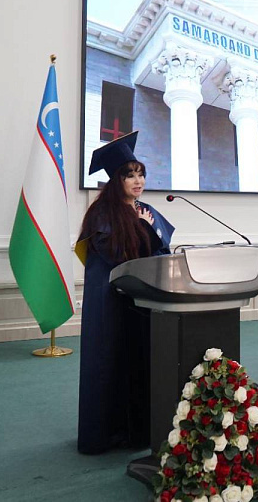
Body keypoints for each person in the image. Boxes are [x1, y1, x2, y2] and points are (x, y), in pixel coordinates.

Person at [76, 132, 171, 455]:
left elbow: (161, 254)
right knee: (111, 363)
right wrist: (142, 228)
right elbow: (118, 258)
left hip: (143, 302)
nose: (138, 181)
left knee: (141, 363)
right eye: (129, 175)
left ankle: (138, 433)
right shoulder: (102, 214)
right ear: (116, 180)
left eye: (140, 173)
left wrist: (147, 228)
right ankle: (107, 435)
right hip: (112, 303)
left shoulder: (147, 210)